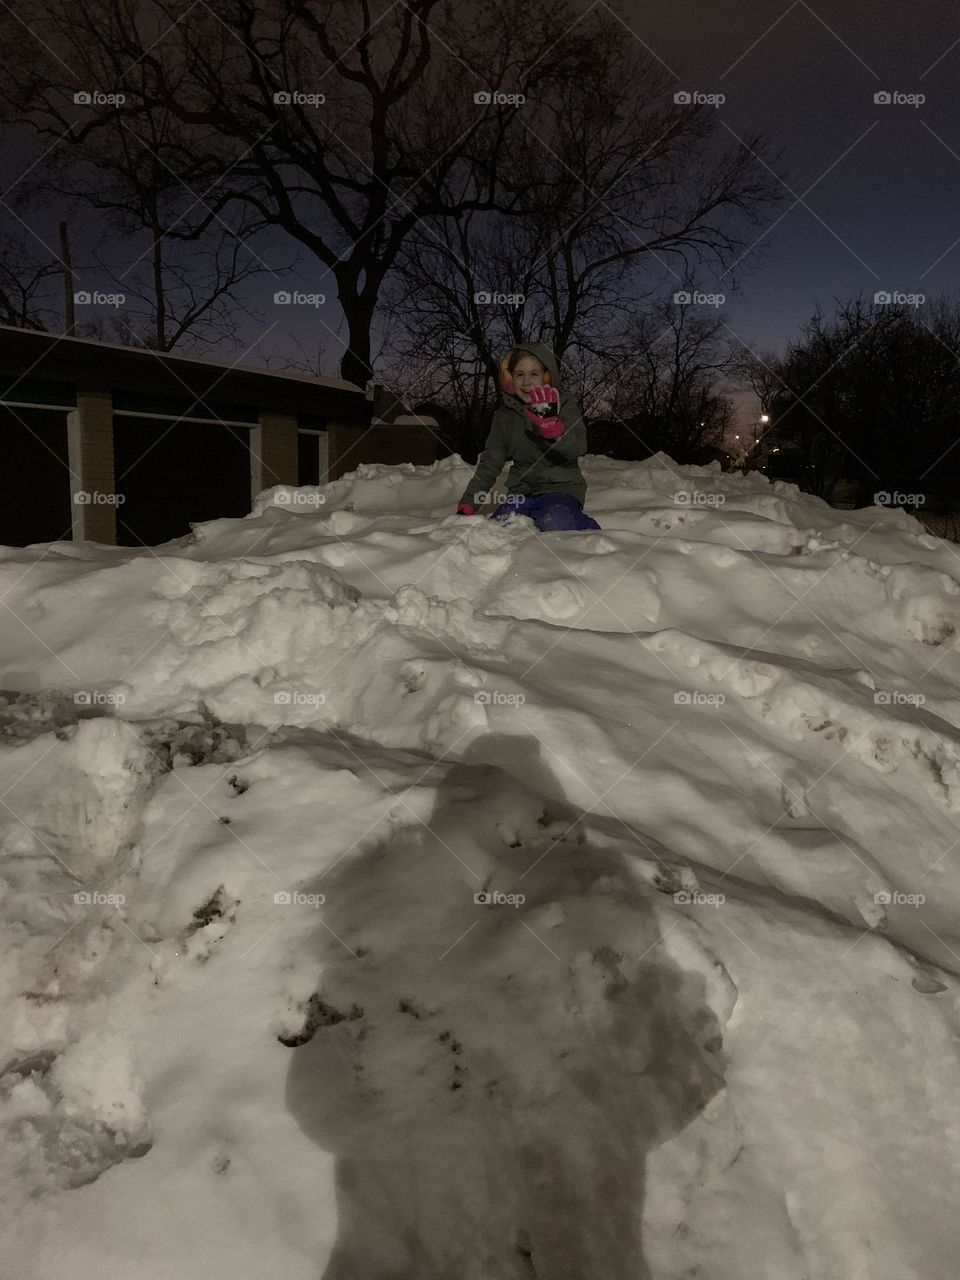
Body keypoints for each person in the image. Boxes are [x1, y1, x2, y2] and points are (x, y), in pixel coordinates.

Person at [455, 343, 601, 531]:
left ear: (546, 377)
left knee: (553, 522)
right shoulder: (504, 416)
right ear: (510, 379)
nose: (526, 382)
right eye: (519, 375)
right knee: (499, 528)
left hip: (561, 489)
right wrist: (469, 503)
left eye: (534, 374)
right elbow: (490, 463)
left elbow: (579, 446)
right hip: (521, 493)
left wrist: (555, 432)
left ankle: (589, 532)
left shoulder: (564, 404)